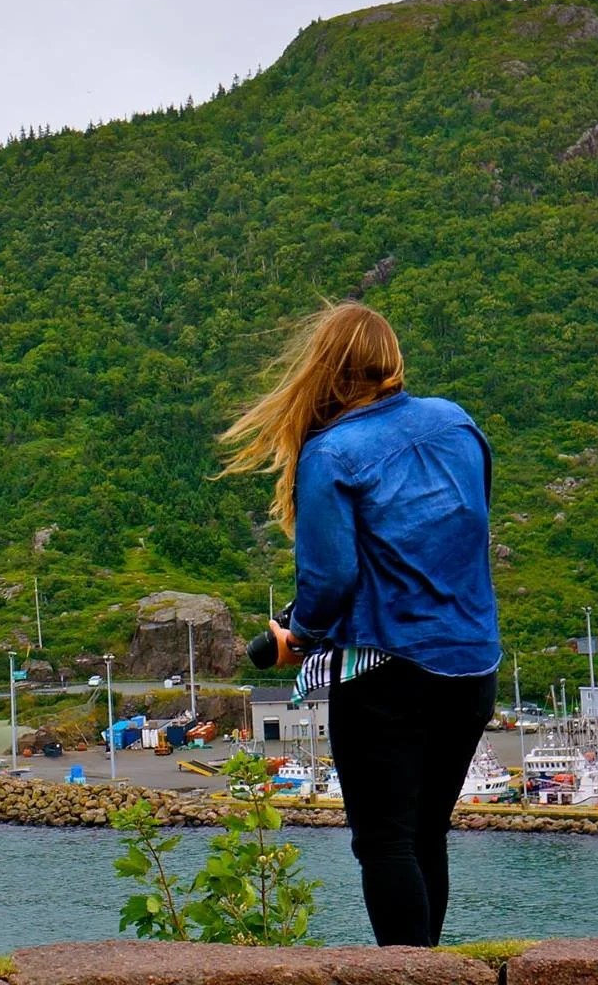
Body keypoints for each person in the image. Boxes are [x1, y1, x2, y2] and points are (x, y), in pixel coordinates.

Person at [219, 299, 500, 948]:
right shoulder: (458, 425)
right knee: (428, 833)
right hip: (470, 665)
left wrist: (300, 637)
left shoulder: (332, 453)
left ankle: (407, 973)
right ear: (390, 362)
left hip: (386, 672)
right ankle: (428, 968)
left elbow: (331, 580)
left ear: (325, 368)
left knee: (385, 841)